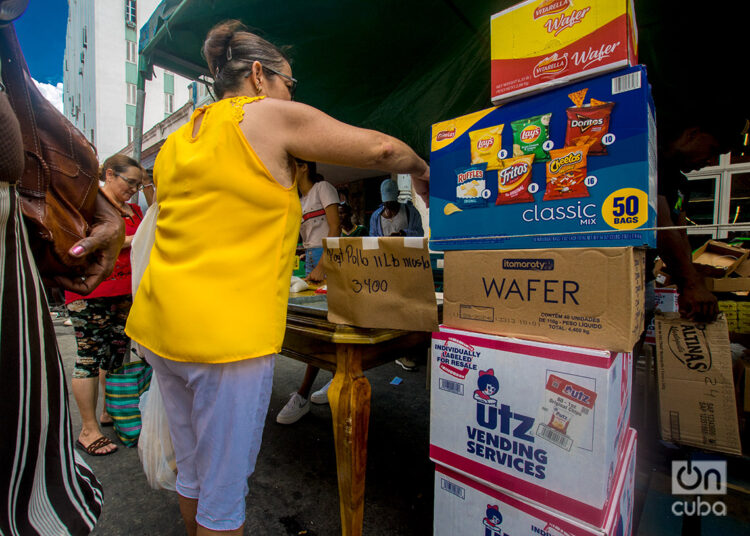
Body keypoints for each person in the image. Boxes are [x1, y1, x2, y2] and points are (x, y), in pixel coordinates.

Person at [124, 20, 429, 536]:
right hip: (226, 341)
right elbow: (380, 152)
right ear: (260, 76)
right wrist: (420, 167)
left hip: (159, 324)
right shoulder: (265, 116)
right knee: (223, 498)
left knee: (194, 474)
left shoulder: (179, 140)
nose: (292, 93)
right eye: (290, 83)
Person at [1, 10, 124, 534]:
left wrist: (87, 200)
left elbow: (23, 120)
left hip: (15, 246)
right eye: (131, 183)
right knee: (87, 362)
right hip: (73, 293)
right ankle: (89, 425)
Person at [66, 155, 145, 456]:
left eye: (139, 184)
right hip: (90, 290)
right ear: (109, 174)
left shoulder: (135, 210)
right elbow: (86, 241)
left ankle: (107, 412)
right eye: (130, 182)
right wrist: (130, 239)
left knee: (113, 355)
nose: (134, 189)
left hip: (124, 293)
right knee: (88, 356)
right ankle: (88, 430)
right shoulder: (86, 204)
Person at [655, 112, 749, 322]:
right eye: (714, 150)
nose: (711, 161)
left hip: (642, 280)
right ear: (692, 134)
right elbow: (659, 225)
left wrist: (689, 278)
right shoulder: (649, 165)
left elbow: (679, 233)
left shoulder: (679, 182)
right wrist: (690, 283)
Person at [276, 160, 340, 424]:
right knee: (316, 325)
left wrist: (323, 263)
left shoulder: (323, 188)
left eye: (291, 164)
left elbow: (334, 229)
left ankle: (303, 395)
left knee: (323, 326)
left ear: (303, 167)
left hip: (329, 258)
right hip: (311, 260)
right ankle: (336, 379)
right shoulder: (299, 200)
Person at [370, 178, 424, 371]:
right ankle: (395, 350)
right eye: (386, 205)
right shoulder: (376, 217)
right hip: (386, 269)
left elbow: (420, 234)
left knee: (408, 308)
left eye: (392, 204)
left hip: (408, 267)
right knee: (391, 308)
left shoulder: (410, 211)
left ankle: (407, 350)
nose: (389, 209)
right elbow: (371, 242)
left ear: (397, 199)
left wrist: (404, 234)